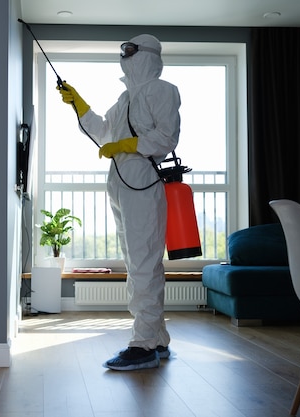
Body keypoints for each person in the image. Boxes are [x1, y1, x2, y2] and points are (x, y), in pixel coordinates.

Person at [58, 34, 181, 371]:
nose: (125, 56)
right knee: (139, 264)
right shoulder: (123, 98)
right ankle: (157, 339)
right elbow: (102, 133)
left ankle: (142, 345)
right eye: (123, 51)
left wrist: (127, 145)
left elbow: (166, 137)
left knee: (143, 264)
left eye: (131, 51)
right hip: (121, 185)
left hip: (143, 183)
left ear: (148, 55)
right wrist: (79, 104)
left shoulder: (162, 90)